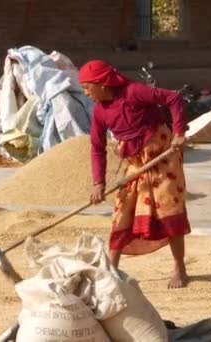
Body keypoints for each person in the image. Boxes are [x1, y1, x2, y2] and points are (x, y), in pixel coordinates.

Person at [79, 60, 190, 289]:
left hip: (164, 159)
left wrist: (179, 132)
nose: (85, 92)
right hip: (136, 164)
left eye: (88, 87)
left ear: (102, 84)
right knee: (122, 210)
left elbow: (173, 98)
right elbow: (97, 148)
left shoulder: (134, 93)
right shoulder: (100, 112)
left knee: (168, 209)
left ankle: (179, 266)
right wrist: (98, 183)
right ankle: (111, 269)